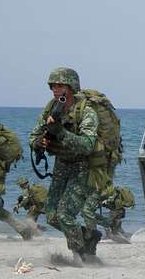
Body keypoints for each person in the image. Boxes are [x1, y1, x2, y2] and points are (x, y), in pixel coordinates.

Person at [28, 67, 102, 266]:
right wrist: (39, 143)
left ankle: (81, 255)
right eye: (53, 85)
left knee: (65, 214)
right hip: (62, 164)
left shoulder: (86, 111)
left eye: (60, 85)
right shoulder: (51, 107)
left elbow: (88, 145)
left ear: (71, 86)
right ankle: (89, 235)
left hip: (83, 167)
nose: (55, 89)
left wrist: (60, 132)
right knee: (51, 215)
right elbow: (34, 134)